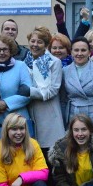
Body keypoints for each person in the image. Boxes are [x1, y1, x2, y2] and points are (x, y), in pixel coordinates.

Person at [61, 37, 93, 152]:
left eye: (83, 50)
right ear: (71, 52)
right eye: (76, 50)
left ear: (89, 52)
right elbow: (63, 100)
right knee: (75, 156)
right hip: (73, 119)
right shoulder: (65, 71)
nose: (79, 53)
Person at [25, 27, 66, 156]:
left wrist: (30, 92)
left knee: (51, 154)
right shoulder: (24, 62)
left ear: (46, 45)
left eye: (40, 42)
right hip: (30, 112)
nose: (35, 45)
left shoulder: (55, 62)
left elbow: (53, 89)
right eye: (32, 41)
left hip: (49, 114)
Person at [0, 34, 33, 149]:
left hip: (18, 121)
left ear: (11, 51)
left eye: (5, 49)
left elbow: (27, 91)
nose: (1, 53)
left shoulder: (21, 66)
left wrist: (5, 103)